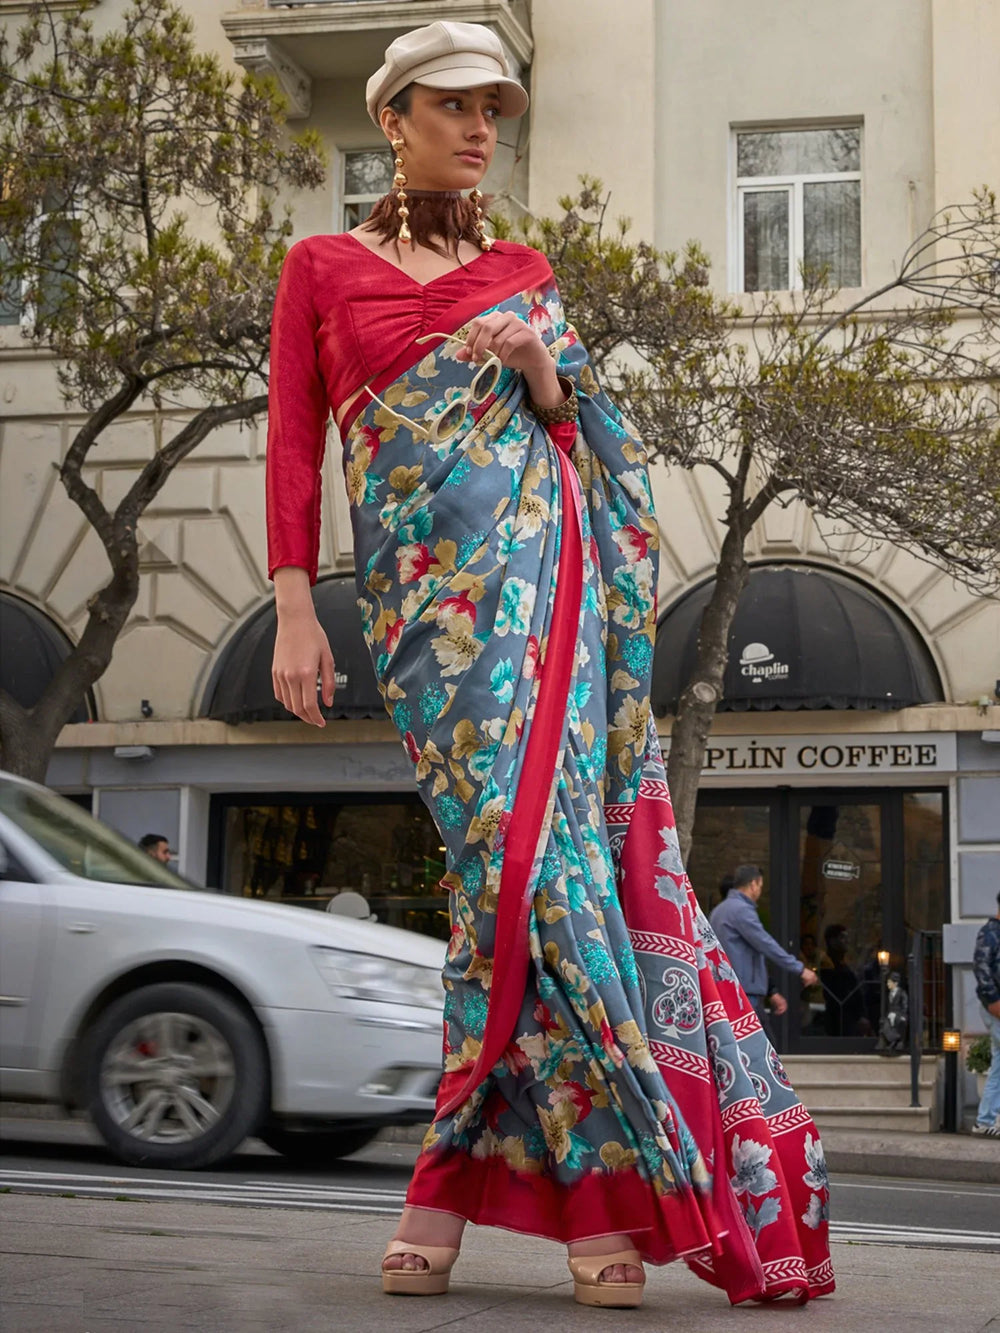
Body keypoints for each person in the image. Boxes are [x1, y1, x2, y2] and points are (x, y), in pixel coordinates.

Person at [265, 19, 833, 1308]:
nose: (481, 129)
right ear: (394, 117)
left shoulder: (523, 271)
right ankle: (588, 1190)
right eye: (455, 106)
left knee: (532, 878)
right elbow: (294, 441)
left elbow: (587, 444)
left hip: (543, 602)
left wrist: (538, 368)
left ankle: (504, 1205)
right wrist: (296, 604)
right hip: (425, 620)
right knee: (506, 876)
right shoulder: (319, 266)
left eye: (494, 110)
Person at [709, 865, 819, 1037]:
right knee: (762, 1046)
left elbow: (748, 954)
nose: (760, 891)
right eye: (760, 886)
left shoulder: (719, 911)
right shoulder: (741, 910)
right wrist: (799, 969)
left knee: (750, 1045)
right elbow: (766, 944)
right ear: (753, 884)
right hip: (744, 993)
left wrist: (771, 991)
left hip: (730, 988)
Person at [972, 890, 1000, 1136]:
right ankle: (985, 1120)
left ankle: (985, 1119)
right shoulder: (990, 933)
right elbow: (981, 970)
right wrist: (993, 1002)